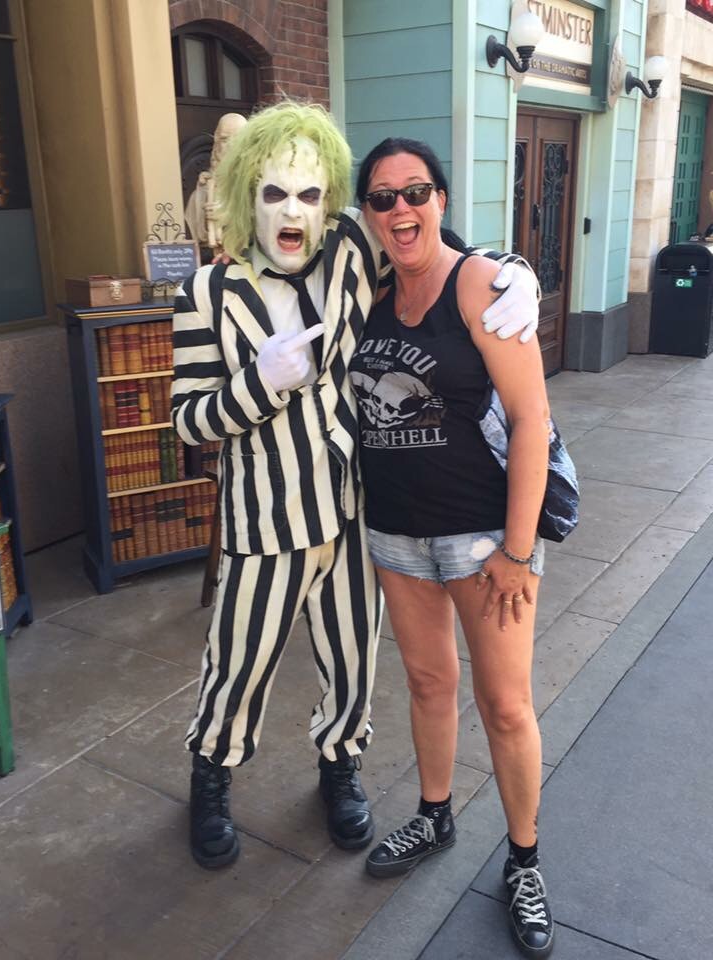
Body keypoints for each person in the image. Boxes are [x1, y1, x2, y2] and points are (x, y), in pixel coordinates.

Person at [171, 102, 539, 873]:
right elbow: (189, 422)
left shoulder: (347, 256)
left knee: (352, 664)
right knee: (238, 663)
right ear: (245, 195)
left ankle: (340, 766)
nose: (293, 212)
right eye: (274, 194)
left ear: (329, 202)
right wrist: (259, 384)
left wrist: (515, 273)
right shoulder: (205, 294)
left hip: (353, 516)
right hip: (264, 522)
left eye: (309, 195)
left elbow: (427, 248)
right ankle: (212, 775)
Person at [349, 137, 555, 959]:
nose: (400, 209)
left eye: (415, 192)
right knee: (429, 684)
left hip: (482, 539)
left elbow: (533, 420)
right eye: (382, 197)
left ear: (441, 198)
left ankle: (525, 860)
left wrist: (517, 549)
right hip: (395, 531)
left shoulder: (479, 284)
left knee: (505, 705)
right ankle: (435, 816)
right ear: (368, 213)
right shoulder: (366, 293)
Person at [184, 112, 248, 253]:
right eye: (225, 139)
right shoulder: (202, 193)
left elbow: (266, 221)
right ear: (216, 143)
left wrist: (230, 216)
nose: (231, 145)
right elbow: (197, 232)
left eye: (237, 139)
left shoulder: (259, 185)